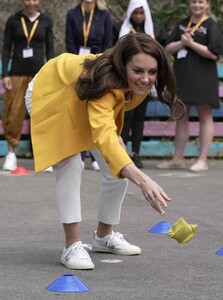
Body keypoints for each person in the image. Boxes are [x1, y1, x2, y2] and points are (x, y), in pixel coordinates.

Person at [25, 33, 185, 270]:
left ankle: (103, 237)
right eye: (138, 71)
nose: (145, 78)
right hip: (49, 92)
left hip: (83, 97)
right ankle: (72, 245)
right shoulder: (105, 82)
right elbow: (103, 128)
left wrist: (117, 150)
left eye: (152, 72)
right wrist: (143, 181)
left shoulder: (132, 82)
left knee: (116, 163)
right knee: (71, 161)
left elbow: (108, 120)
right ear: (123, 65)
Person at [157, 0, 223, 172]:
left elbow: (214, 53)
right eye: (194, 2)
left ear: (207, 4)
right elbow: (167, 47)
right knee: (181, 115)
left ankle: (202, 160)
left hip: (203, 77)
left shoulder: (212, 25)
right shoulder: (182, 23)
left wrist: (191, 44)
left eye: (201, 2)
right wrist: (182, 42)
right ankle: (177, 158)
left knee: (205, 115)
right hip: (183, 76)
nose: (197, 5)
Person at [1, 0, 54, 172]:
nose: (31, 3)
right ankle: (11, 153)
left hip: (39, 74)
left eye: (34, 0)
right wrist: (5, 75)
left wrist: (52, 74)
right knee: (14, 112)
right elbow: (6, 48)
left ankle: (44, 155)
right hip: (16, 72)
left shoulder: (46, 21)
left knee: (42, 113)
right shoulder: (13, 20)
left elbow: (50, 50)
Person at [66, 0, 113, 171]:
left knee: (95, 107)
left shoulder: (104, 15)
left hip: (98, 67)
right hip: (77, 66)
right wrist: (76, 64)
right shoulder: (72, 14)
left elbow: (109, 43)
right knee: (77, 108)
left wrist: (100, 65)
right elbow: (69, 42)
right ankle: (79, 152)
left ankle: (95, 155)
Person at [113, 0, 159, 168]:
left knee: (139, 118)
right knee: (125, 116)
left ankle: (136, 153)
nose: (138, 17)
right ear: (130, 13)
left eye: (141, 13)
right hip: (126, 82)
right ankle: (121, 152)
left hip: (143, 84)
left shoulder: (152, 30)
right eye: (135, 13)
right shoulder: (120, 28)